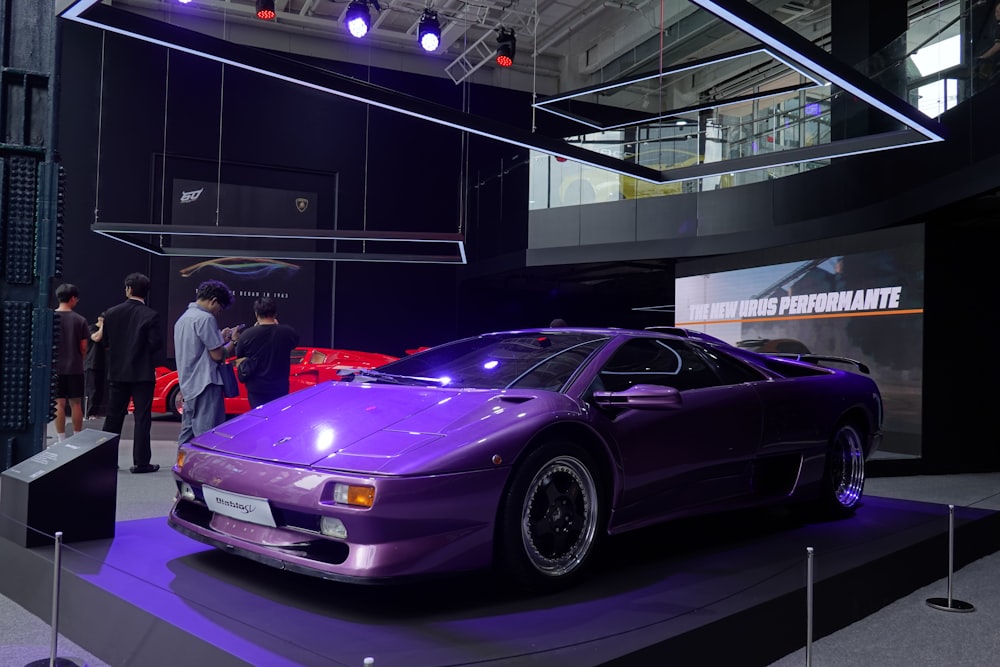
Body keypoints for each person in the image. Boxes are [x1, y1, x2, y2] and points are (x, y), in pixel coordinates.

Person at [98, 273, 164, 473]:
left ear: (128, 289)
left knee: (113, 417)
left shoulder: (111, 313)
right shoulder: (151, 315)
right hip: (142, 374)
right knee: (142, 418)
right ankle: (141, 462)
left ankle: (106, 460)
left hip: (118, 372)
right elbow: (156, 344)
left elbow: (105, 343)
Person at [174, 279, 240, 445]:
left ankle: (181, 467)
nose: (219, 312)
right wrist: (233, 341)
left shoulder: (182, 319)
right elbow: (217, 355)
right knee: (207, 435)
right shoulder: (206, 318)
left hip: (188, 385)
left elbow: (197, 349)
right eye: (220, 308)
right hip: (206, 384)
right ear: (213, 301)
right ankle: (204, 470)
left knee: (187, 434)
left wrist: (219, 336)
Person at [235, 297, 300, 408]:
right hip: (280, 386)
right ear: (275, 313)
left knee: (259, 418)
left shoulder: (247, 334)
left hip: (256, 388)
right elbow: (293, 345)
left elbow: (240, 357)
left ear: (256, 314)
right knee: (278, 419)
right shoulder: (288, 332)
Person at [52, 283, 90, 442]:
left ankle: (61, 439)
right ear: (73, 298)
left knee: (58, 404)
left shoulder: (50, 318)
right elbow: (83, 347)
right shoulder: (80, 320)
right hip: (75, 367)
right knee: (76, 404)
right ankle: (76, 438)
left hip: (55, 368)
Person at [84, 311, 108, 420]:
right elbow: (96, 338)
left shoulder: (105, 332)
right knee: (91, 389)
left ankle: (95, 412)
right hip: (91, 363)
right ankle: (88, 413)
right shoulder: (91, 328)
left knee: (99, 390)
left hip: (101, 363)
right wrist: (102, 325)